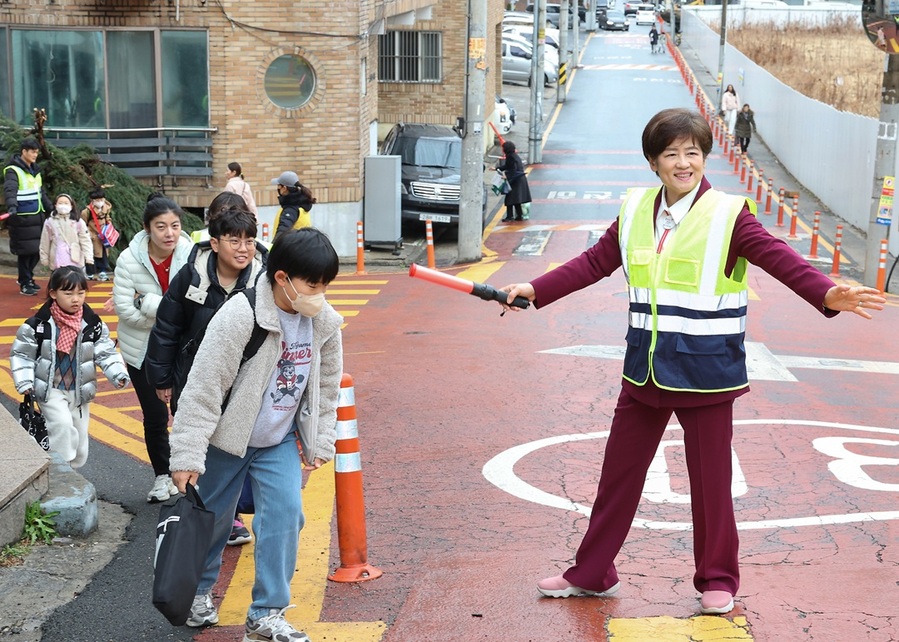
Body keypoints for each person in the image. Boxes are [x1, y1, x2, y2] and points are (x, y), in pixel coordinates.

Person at [499, 108, 885, 616]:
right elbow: (594, 262)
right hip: (647, 368)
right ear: (653, 163)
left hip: (706, 372)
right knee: (617, 475)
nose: (685, 163)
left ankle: (718, 579)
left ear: (705, 157)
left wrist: (828, 292)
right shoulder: (637, 209)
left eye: (694, 153)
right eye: (672, 154)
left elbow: (777, 256)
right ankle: (591, 573)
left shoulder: (728, 214)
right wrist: (534, 287)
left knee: (710, 483)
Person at [170, 228, 343, 640]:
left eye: (325, 286)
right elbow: (204, 386)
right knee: (210, 521)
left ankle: (266, 614)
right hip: (227, 439)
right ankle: (196, 591)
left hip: (278, 439)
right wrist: (188, 454)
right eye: (313, 285)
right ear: (282, 277)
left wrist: (320, 439)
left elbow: (327, 385)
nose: (319, 295)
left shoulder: (323, 321)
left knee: (286, 516)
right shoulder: (240, 315)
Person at [146, 205, 267, 546]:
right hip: (194, 381)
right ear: (214, 244)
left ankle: (230, 518)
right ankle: (203, 515)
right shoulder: (191, 276)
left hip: (243, 385)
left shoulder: (263, 280)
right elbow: (168, 327)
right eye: (234, 240)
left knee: (234, 451)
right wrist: (162, 378)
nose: (243, 248)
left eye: (249, 240)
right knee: (200, 448)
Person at [113, 194, 193, 503]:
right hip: (141, 352)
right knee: (155, 417)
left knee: (187, 415)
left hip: (183, 351)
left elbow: (194, 306)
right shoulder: (128, 260)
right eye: (161, 227)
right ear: (147, 228)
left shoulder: (190, 255)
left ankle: (191, 474)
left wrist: (145, 302)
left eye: (174, 225)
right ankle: (163, 475)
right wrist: (172, 313)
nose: (169, 233)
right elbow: (124, 310)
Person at [10, 266, 129, 468]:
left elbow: (105, 351)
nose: (76, 299)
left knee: (81, 439)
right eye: (68, 293)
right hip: (51, 389)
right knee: (62, 427)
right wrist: (25, 382)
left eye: (81, 293)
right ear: (53, 294)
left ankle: (72, 473)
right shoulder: (38, 324)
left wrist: (117, 373)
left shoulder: (92, 323)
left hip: (80, 390)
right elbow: (22, 354)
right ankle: (60, 470)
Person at [4, 138, 53, 296]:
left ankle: (27, 278)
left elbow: (40, 193)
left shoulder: (35, 171)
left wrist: (51, 209)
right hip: (21, 217)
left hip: (37, 216)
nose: (35, 154)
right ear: (23, 151)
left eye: (37, 152)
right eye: (32, 151)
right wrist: (12, 206)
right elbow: (10, 189)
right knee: (26, 252)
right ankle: (25, 282)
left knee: (37, 250)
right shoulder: (13, 170)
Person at [39, 194, 93, 273]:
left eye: (66, 203)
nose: (63, 205)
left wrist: (89, 257)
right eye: (60, 203)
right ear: (55, 205)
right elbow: (45, 241)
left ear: (71, 206)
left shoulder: (78, 222)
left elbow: (85, 240)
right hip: (57, 259)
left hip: (75, 259)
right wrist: (44, 258)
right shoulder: (49, 222)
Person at [80, 187, 114, 281]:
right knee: (91, 254)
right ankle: (90, 272)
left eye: (102, 199)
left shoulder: (106, 209)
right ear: (93, 201)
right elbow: (82, 224)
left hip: (103, 236)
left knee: (103, 255)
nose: (100, 202)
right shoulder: (87, 211)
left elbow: (108, 218)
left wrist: (109, 225)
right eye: (98, 200)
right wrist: (88, 234)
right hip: (93, 235)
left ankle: (102, 272)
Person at [271, 171, 316, 239]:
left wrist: (274, 247)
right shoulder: (301, 203)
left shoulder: (291, 209)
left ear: (284, 188)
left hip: (291, 248)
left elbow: (282, 232)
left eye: (279, 185)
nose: (278, 188)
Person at [498, 141, 532, 223]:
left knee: (509, 198)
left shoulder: (511, 157)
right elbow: (507, 166)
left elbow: (513, 169)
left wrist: (507, 176)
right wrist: (497, 168)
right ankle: (519, 216)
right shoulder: (513, 156)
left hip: (516, 180)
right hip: (519, 179)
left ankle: (510, 216)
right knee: (516, 199)